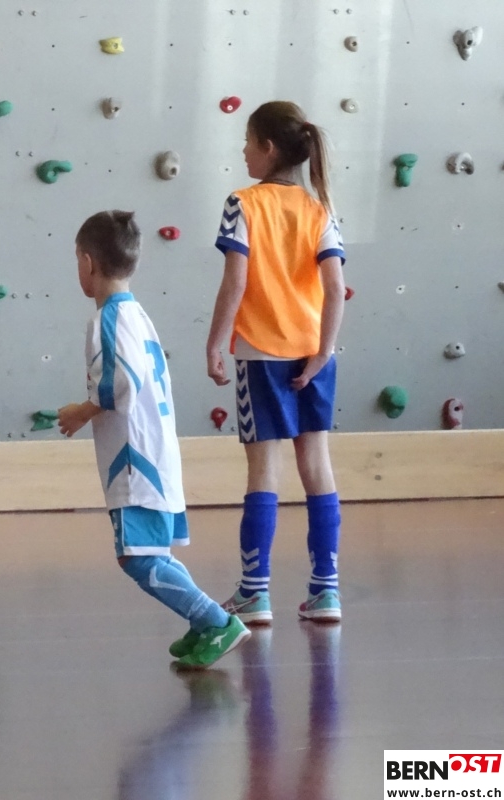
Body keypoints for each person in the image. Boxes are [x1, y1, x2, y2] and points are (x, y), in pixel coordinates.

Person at [59, 210, 249, 669]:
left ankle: (215, 621)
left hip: (134, 459)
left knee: (137, 558)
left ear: (87, 262)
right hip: (154, 451)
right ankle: (204, 622)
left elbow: (119, 382)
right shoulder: (137, 313)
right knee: (150, 552)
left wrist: (81, 412)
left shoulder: (107, 318)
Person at [206, 100, 346, 624]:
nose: (243, 151)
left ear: (267, 148)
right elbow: (335, 289)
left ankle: (254, 592)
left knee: (264, 471)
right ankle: (326, 591)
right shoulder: (320, 209)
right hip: (313, 354)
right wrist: (324, 352)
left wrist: (215, 342)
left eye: (247, 141)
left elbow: (235, 280)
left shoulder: (242, 203)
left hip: (262, 355)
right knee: (318, 467)